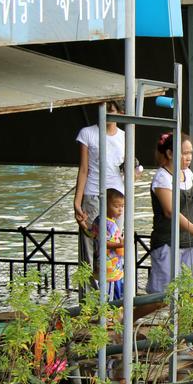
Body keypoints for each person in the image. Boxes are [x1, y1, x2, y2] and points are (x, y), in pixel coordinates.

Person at [146, 132, 193, 294]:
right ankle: (126, 318)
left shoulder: (186, 173)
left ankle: (186, 321)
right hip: (169, 243)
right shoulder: (162, 178)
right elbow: (171, 212)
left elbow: (190, 203)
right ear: (170, 153)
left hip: (191, 243)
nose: (189, 157)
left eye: (190, 153)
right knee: (162, 297)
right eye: (185, 153)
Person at [74, 101, 125, 269]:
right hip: (92, 193)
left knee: (115, 242)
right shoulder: (88, 133)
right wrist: (77, 202)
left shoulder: (125, 136)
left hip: (117, 197)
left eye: (112, 110)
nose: (108, 114)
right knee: (90, 243)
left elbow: (132, 170)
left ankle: (114, 290)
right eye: (105, 109)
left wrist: (135, 172)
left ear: (121, 112)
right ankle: (90, 292)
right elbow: (83, 169)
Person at [80, 188, 125, 302]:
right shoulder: (107, 224)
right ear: (105, 205)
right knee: (110, 298)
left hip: (111, 267)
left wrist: (83, 225)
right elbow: (103, 242)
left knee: (112, 293)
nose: (120, 210)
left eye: (122, 206)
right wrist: (120, 245)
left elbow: (91, 233)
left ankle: (110, 316)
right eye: (116, 206)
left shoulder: (100, 220)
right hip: (109, 268)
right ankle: (108, 317)